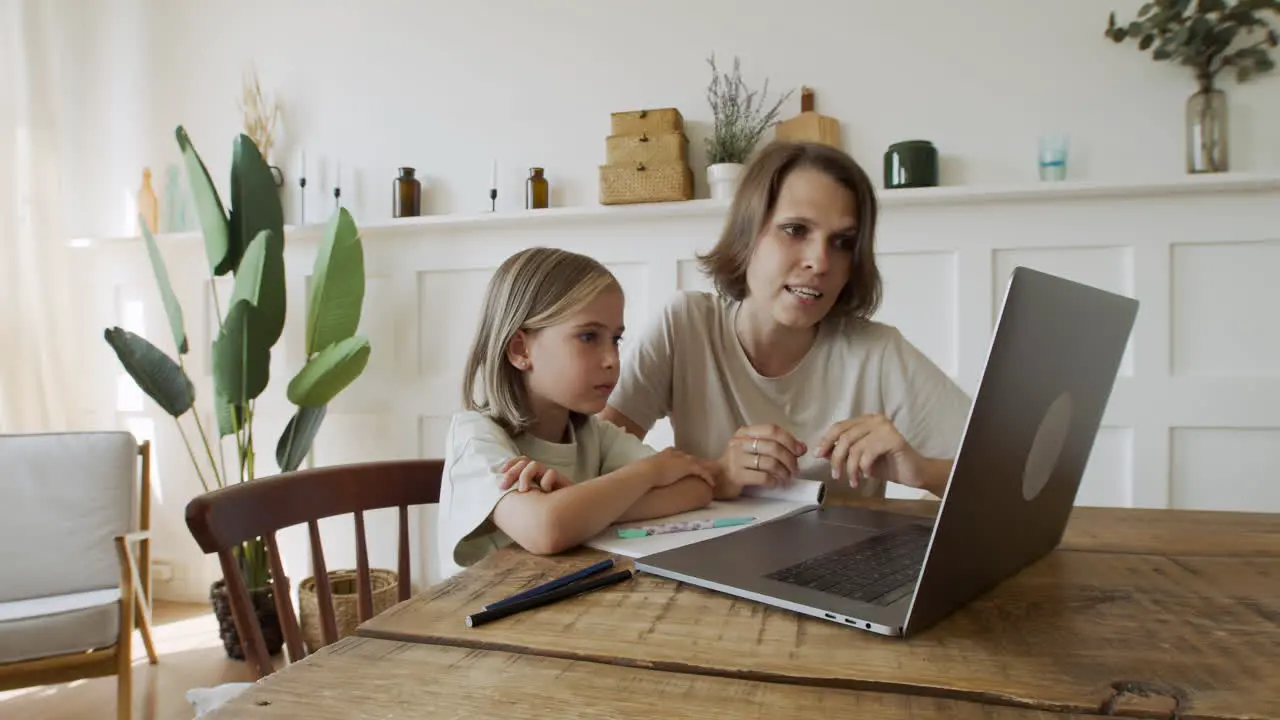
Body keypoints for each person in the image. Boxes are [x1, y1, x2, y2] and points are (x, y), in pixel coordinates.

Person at [599, 140, 972, 504]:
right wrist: (720, 474)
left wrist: (921, 470)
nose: (821, 262)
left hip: (843, 562)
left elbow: (1003, 475)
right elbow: (597, 468)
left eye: (843, 242)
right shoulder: (685, 325)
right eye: (795, 230)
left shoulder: (879, 352)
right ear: (747, 233)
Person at [436, 246, 718, 577]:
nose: (612, 358)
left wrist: (580, 506)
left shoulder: (593, 434)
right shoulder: (477, 438)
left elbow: (696, 486)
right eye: (588, 336)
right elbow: (547, 529)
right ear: (520, 349)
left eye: (615, 339)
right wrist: (649, 473)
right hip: (476, 622)